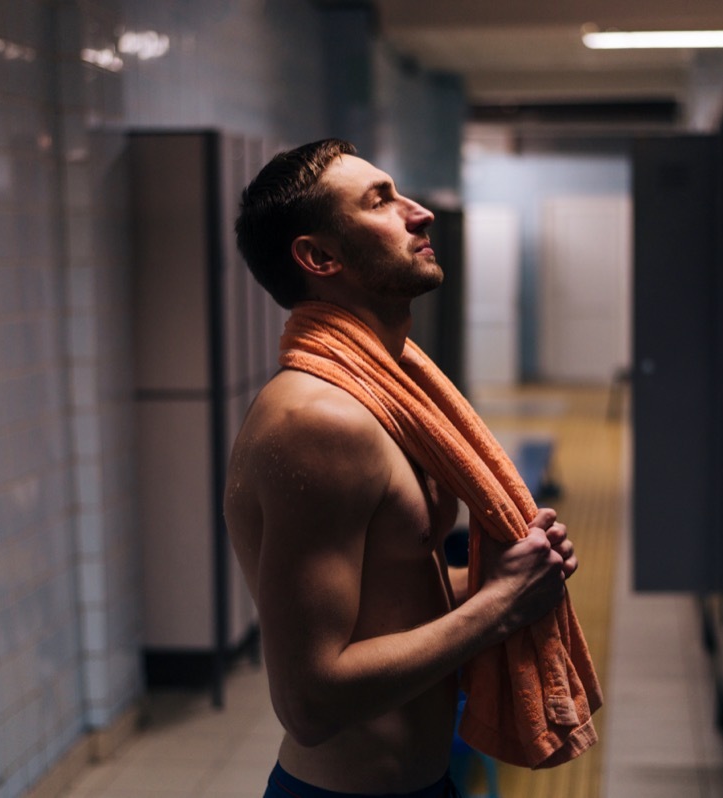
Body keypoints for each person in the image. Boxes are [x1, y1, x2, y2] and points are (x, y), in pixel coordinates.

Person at [225, 139, 580, 797]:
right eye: (380, 201)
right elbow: (309, 703)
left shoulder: (387, 395)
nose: (421, 213)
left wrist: (502, 577)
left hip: (423, 781)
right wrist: (501, 604)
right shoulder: (319, 422)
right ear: (320, 257)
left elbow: (394, 596)